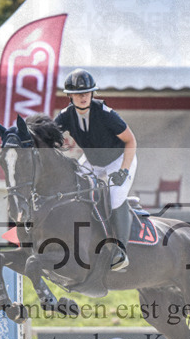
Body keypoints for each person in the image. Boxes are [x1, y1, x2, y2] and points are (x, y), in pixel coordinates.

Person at [54, 68, 137, 271]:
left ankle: (120, 250)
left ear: (92, 93)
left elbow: (131, 141)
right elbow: (47, 136)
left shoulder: (106, 114)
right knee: (72, 189)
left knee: (115, 195)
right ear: (70, 96)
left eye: (87, 92)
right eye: (78, 93)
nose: (83, 97)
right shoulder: (65, 115)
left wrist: (124, 171)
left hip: (119, 159)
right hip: (93, 161)